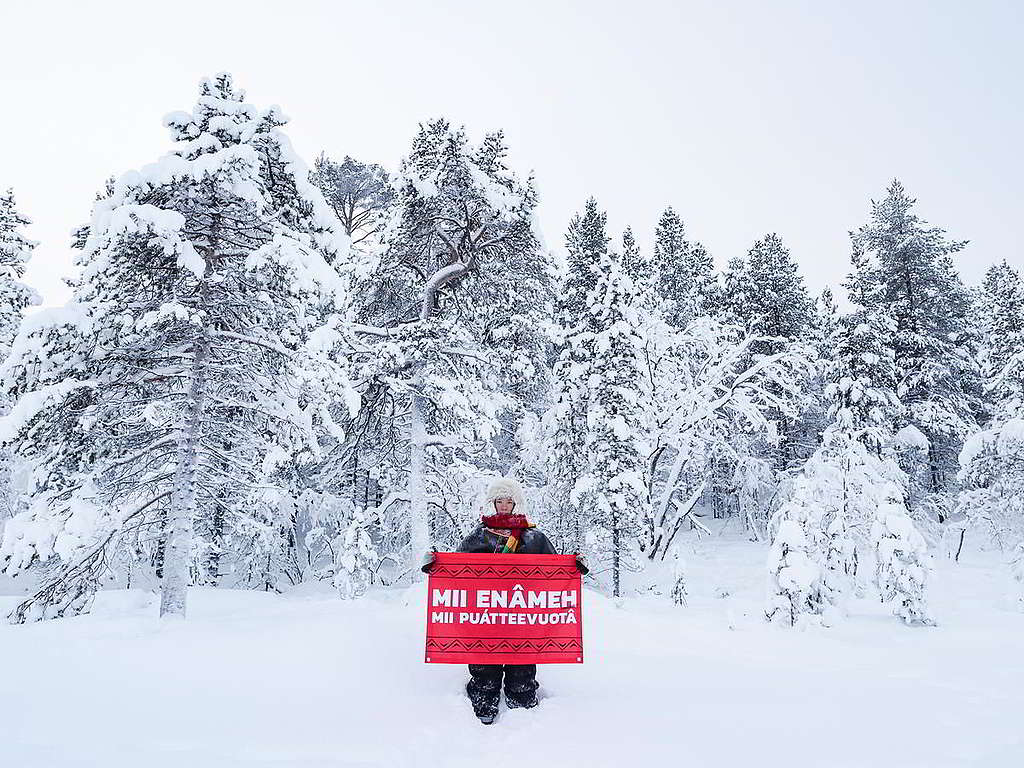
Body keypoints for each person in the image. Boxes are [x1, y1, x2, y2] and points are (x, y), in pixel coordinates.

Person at [421, 476, 588, 724]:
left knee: (521, 660)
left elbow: (554, 570)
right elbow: (457, 568)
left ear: (516, 503)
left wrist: (575, 566)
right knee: (484, 660)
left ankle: (522, 703)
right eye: (499, 500)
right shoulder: (479, 537)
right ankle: (484, 699)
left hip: (522, 615)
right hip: (486, 615)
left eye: (508, 501)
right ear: (493, 503)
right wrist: (436, 565)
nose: (504, 505)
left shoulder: (534, 538)